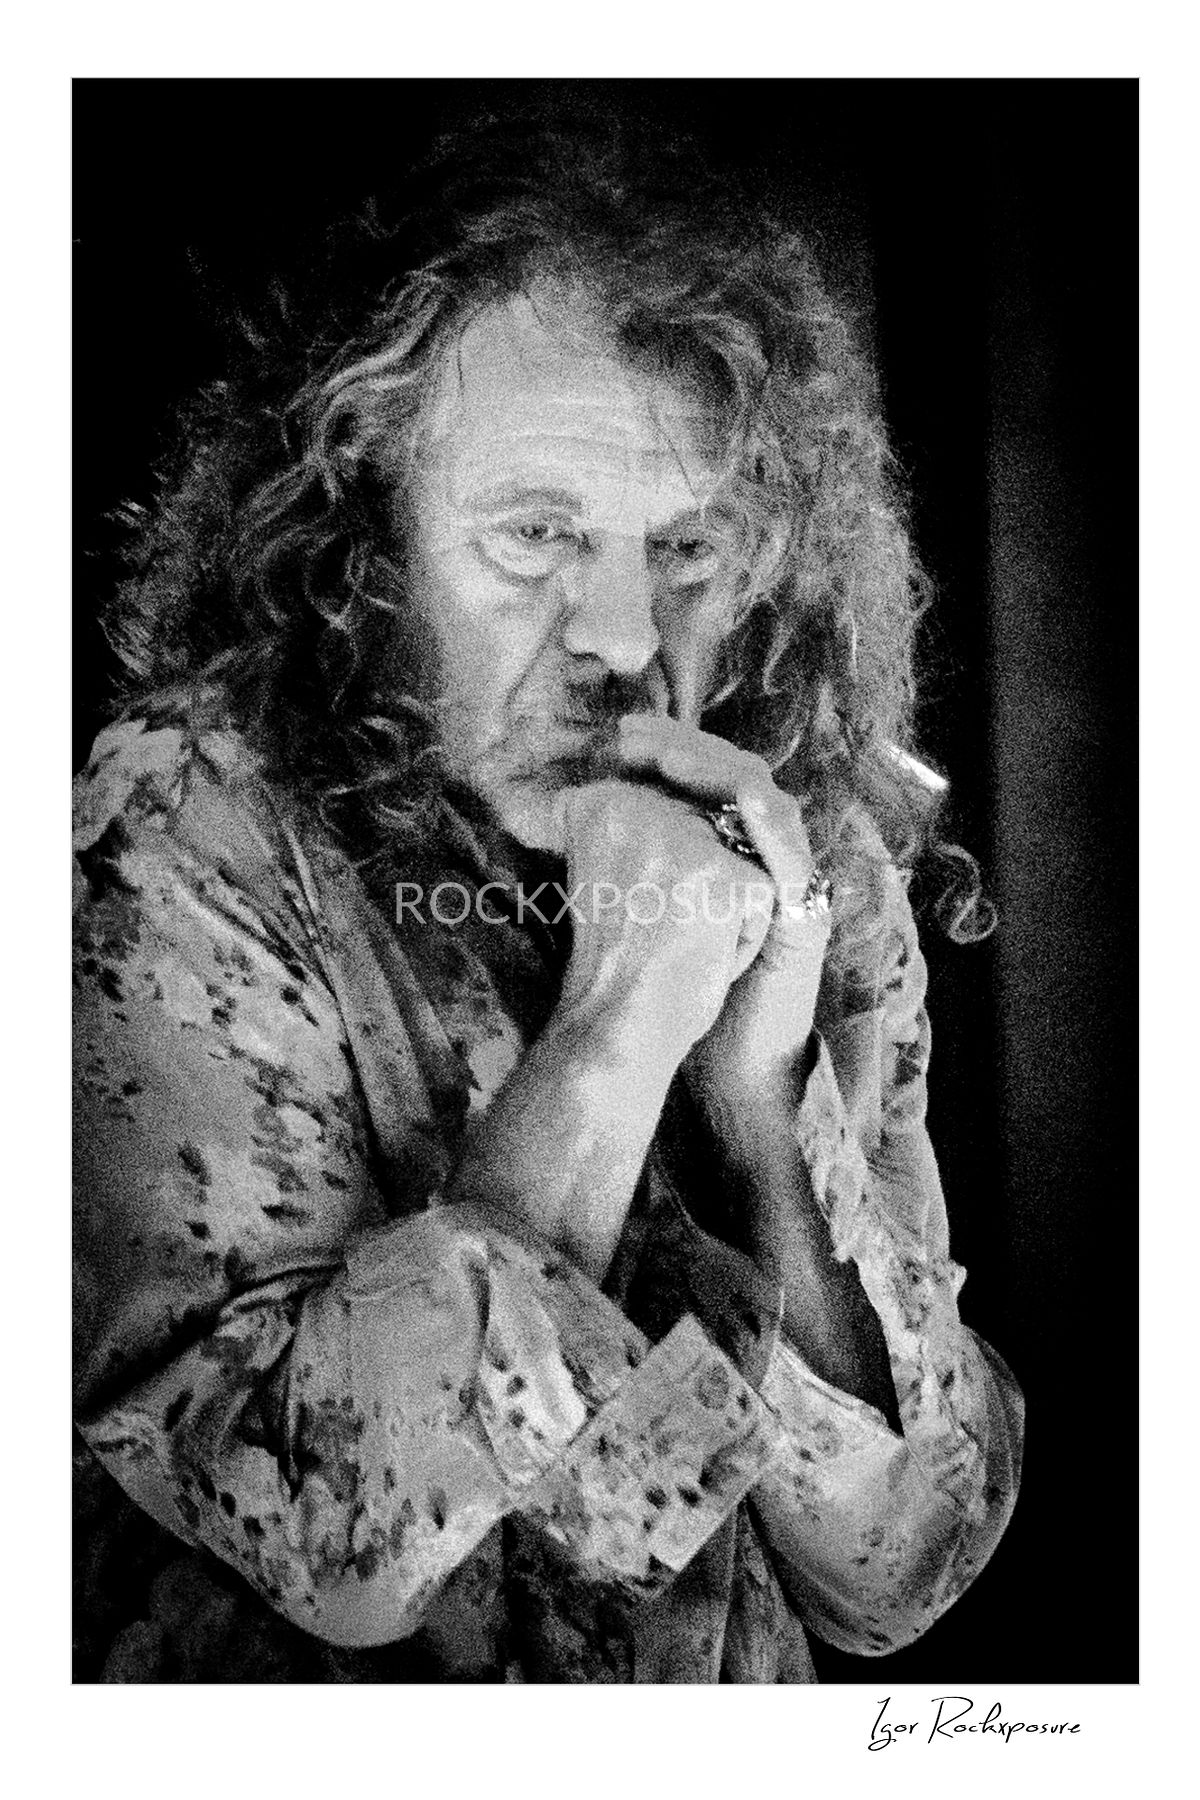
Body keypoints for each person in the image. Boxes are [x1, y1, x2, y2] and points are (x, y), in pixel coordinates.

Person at [73, 113, 1023, 1683]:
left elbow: (904, 1575)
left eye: (689, 547)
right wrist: (615, 1035)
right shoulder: (179, 827)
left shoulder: (821, 865)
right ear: (365, 539)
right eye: (534, 537)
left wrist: (762, 1113)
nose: (627, 639)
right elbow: (326, 1549)